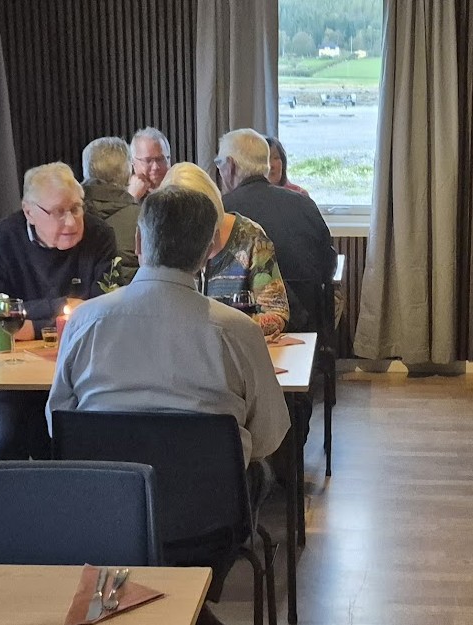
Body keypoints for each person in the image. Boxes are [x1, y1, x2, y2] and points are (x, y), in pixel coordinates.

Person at [45, 186, 290, 597]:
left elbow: (59, 426)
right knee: (258, 472)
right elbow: (268, 437)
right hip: (207, 520)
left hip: (105, 511)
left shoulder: (85, 322)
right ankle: (191, 598)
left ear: (139, 242)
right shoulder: (238, 331)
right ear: (207, 251)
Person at [0, 162, 116, 459]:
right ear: (29, 212)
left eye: (76, 208)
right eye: (59, 212)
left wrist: (26, 323)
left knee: (82, 442)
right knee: (1, 439)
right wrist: (59, 306)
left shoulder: (100, 235)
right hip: (14, 376)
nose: (72, 222)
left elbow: (99, 312)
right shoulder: (2, 239)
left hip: (79, 370)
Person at [215, 128, 336, 332]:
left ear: (231, 165)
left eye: (219, 163)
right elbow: (328, 265)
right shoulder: (304, 204)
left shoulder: (220, 212)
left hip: (246, 329)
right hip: (307, 328)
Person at [161, 162, 290, 336]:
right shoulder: (166, 242)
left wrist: (220, 327)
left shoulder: (250, 237)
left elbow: (277, 313)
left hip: (236, 346)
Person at [81, 136, 139, 280]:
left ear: (86, 169)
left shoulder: (65, 213)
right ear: (128, 171)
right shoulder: (143, 219)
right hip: (130, 293)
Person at [128, 126, 172, 201]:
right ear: (133, 162)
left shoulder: (181, 193)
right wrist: (132, 198)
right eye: (148, 161)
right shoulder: (119, 196)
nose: (155, 167)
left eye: (160, 159)